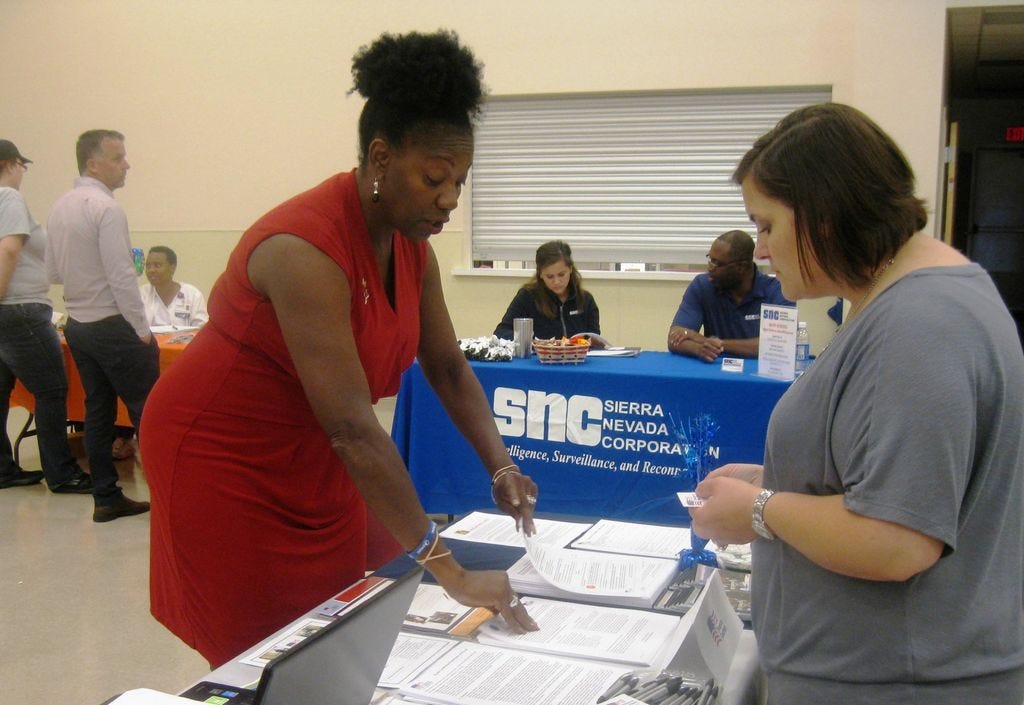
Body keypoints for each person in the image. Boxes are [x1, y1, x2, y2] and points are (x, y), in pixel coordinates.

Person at [140, 29, 540, 668]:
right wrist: (454, 573)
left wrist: (500, 466)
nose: (449, 200)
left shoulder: (412, 245)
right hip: (227, 452)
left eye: (460, 182)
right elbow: (353, 428)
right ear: (380, 158)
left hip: (316, 446)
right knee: (271, 651)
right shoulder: (303, 249)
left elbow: (445, 366)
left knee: (356, 613)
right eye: (434, 178)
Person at [689, 103, 1024, 704]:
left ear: (823, 217)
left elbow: (897, 540)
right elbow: (901, 480)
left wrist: (760, 509)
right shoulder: (910, 300)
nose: (760, 250)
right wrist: (782, 477)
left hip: (894, 683)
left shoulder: (919, 321)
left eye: (767, 226)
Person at [46, 130, 160, 521]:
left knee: (97, 412)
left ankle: (106, 496)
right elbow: (122, 275)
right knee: (150, 411)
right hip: (114, 324)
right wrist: (140, 328)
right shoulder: (106, 208)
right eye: (118, 158)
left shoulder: (59, 207)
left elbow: (53, 271)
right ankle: (168, 497)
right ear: (93, 164)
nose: (126, 165)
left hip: (79, 323)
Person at [0, 140, 91, 493]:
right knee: (52, 390)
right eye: (23, 166)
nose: (23, 173)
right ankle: (62, 473)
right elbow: (9, 250)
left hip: (9, 312)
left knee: (1, 391)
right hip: (20, 308)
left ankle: (3, 469)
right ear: (11, 163)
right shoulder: (8, 197)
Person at [667, 229, 791, 361]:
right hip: (714, 367)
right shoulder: (702, 285)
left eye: (717, 263)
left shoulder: (777, 290)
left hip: (760, 371)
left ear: (742, 267)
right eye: (710, 259)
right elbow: (675, 338)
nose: (710, 268)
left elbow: (778, 345)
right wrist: (699, 349)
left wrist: (709, 342)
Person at [493, 240, 600, 341]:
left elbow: (594, 339)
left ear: (571, 269)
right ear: (540, 274)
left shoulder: (586, 300)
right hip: (538, 354)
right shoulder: (527, 297)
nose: (556, 282)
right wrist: (533, 342)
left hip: (577, 354)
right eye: (550, 276)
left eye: (561, 274)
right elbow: (501, 332)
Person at [140, 245, 209, 328]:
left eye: (157, 265)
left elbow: (201, 329)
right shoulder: (141, 295)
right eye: (148, 266)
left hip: (187, 337)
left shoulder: (193, 295)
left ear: (172, 268)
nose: (151, 270)